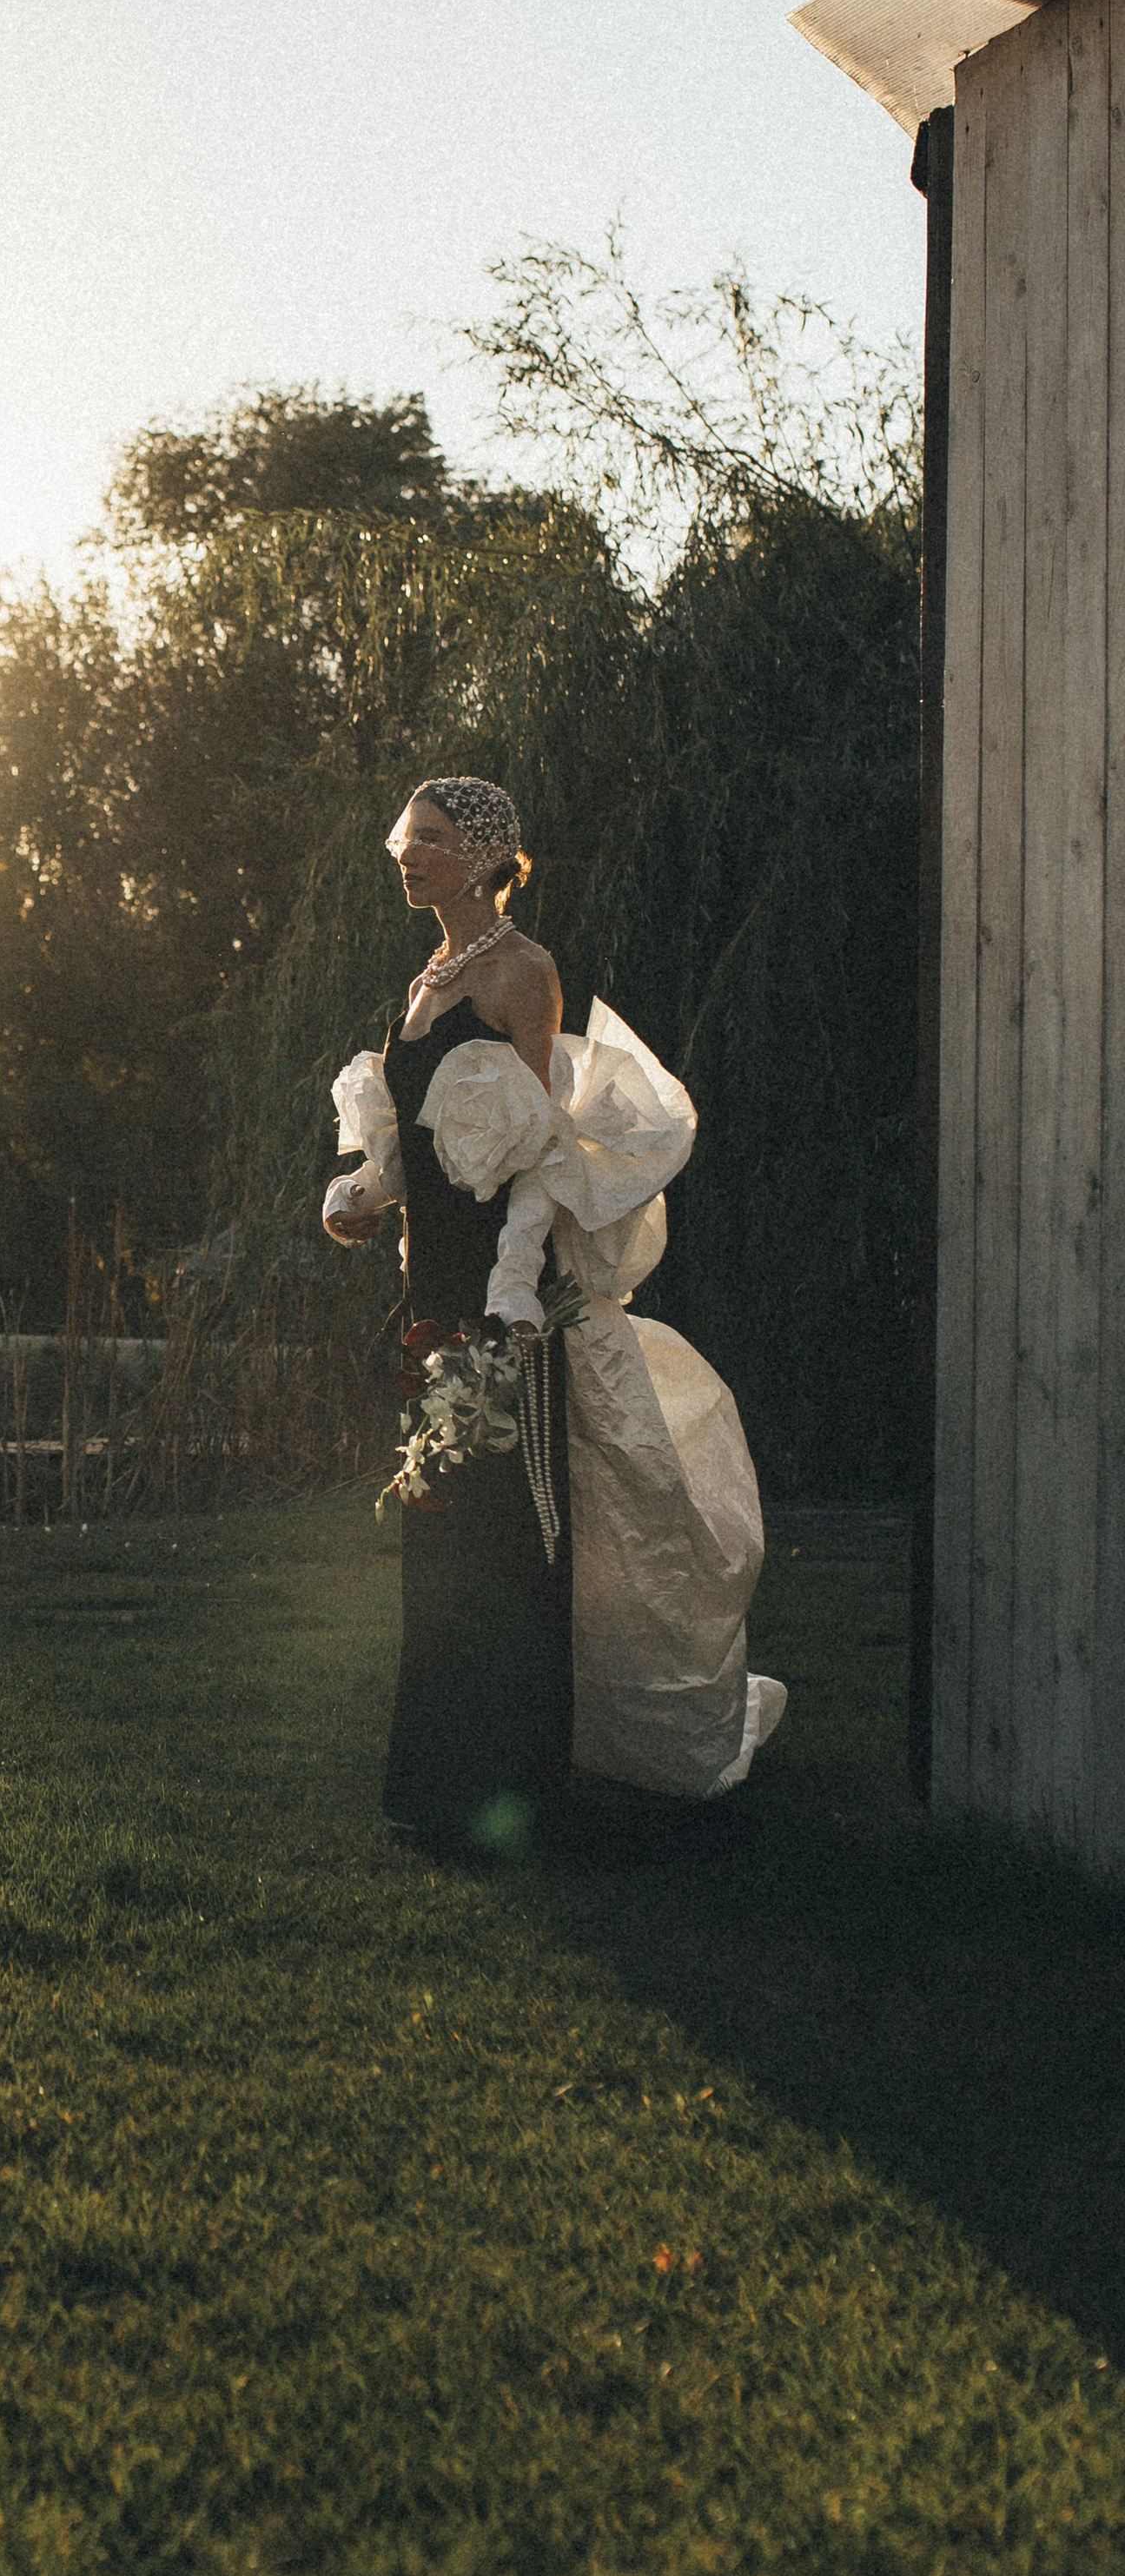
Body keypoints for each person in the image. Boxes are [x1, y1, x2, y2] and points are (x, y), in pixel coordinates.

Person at [323, 776, 783, 1844]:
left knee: (506, 1532)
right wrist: (363, 1194)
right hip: (427, 1283)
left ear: (485, 858)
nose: (408, 855)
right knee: (436, 1518)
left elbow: (534, 1149)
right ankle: (435, 1783)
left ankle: (512, 1787)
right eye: (406, 838)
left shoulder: (525, 975)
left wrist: (513, 1289)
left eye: (430, 842)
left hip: (499, 1295)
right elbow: (424, 1142)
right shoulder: (426, 979)